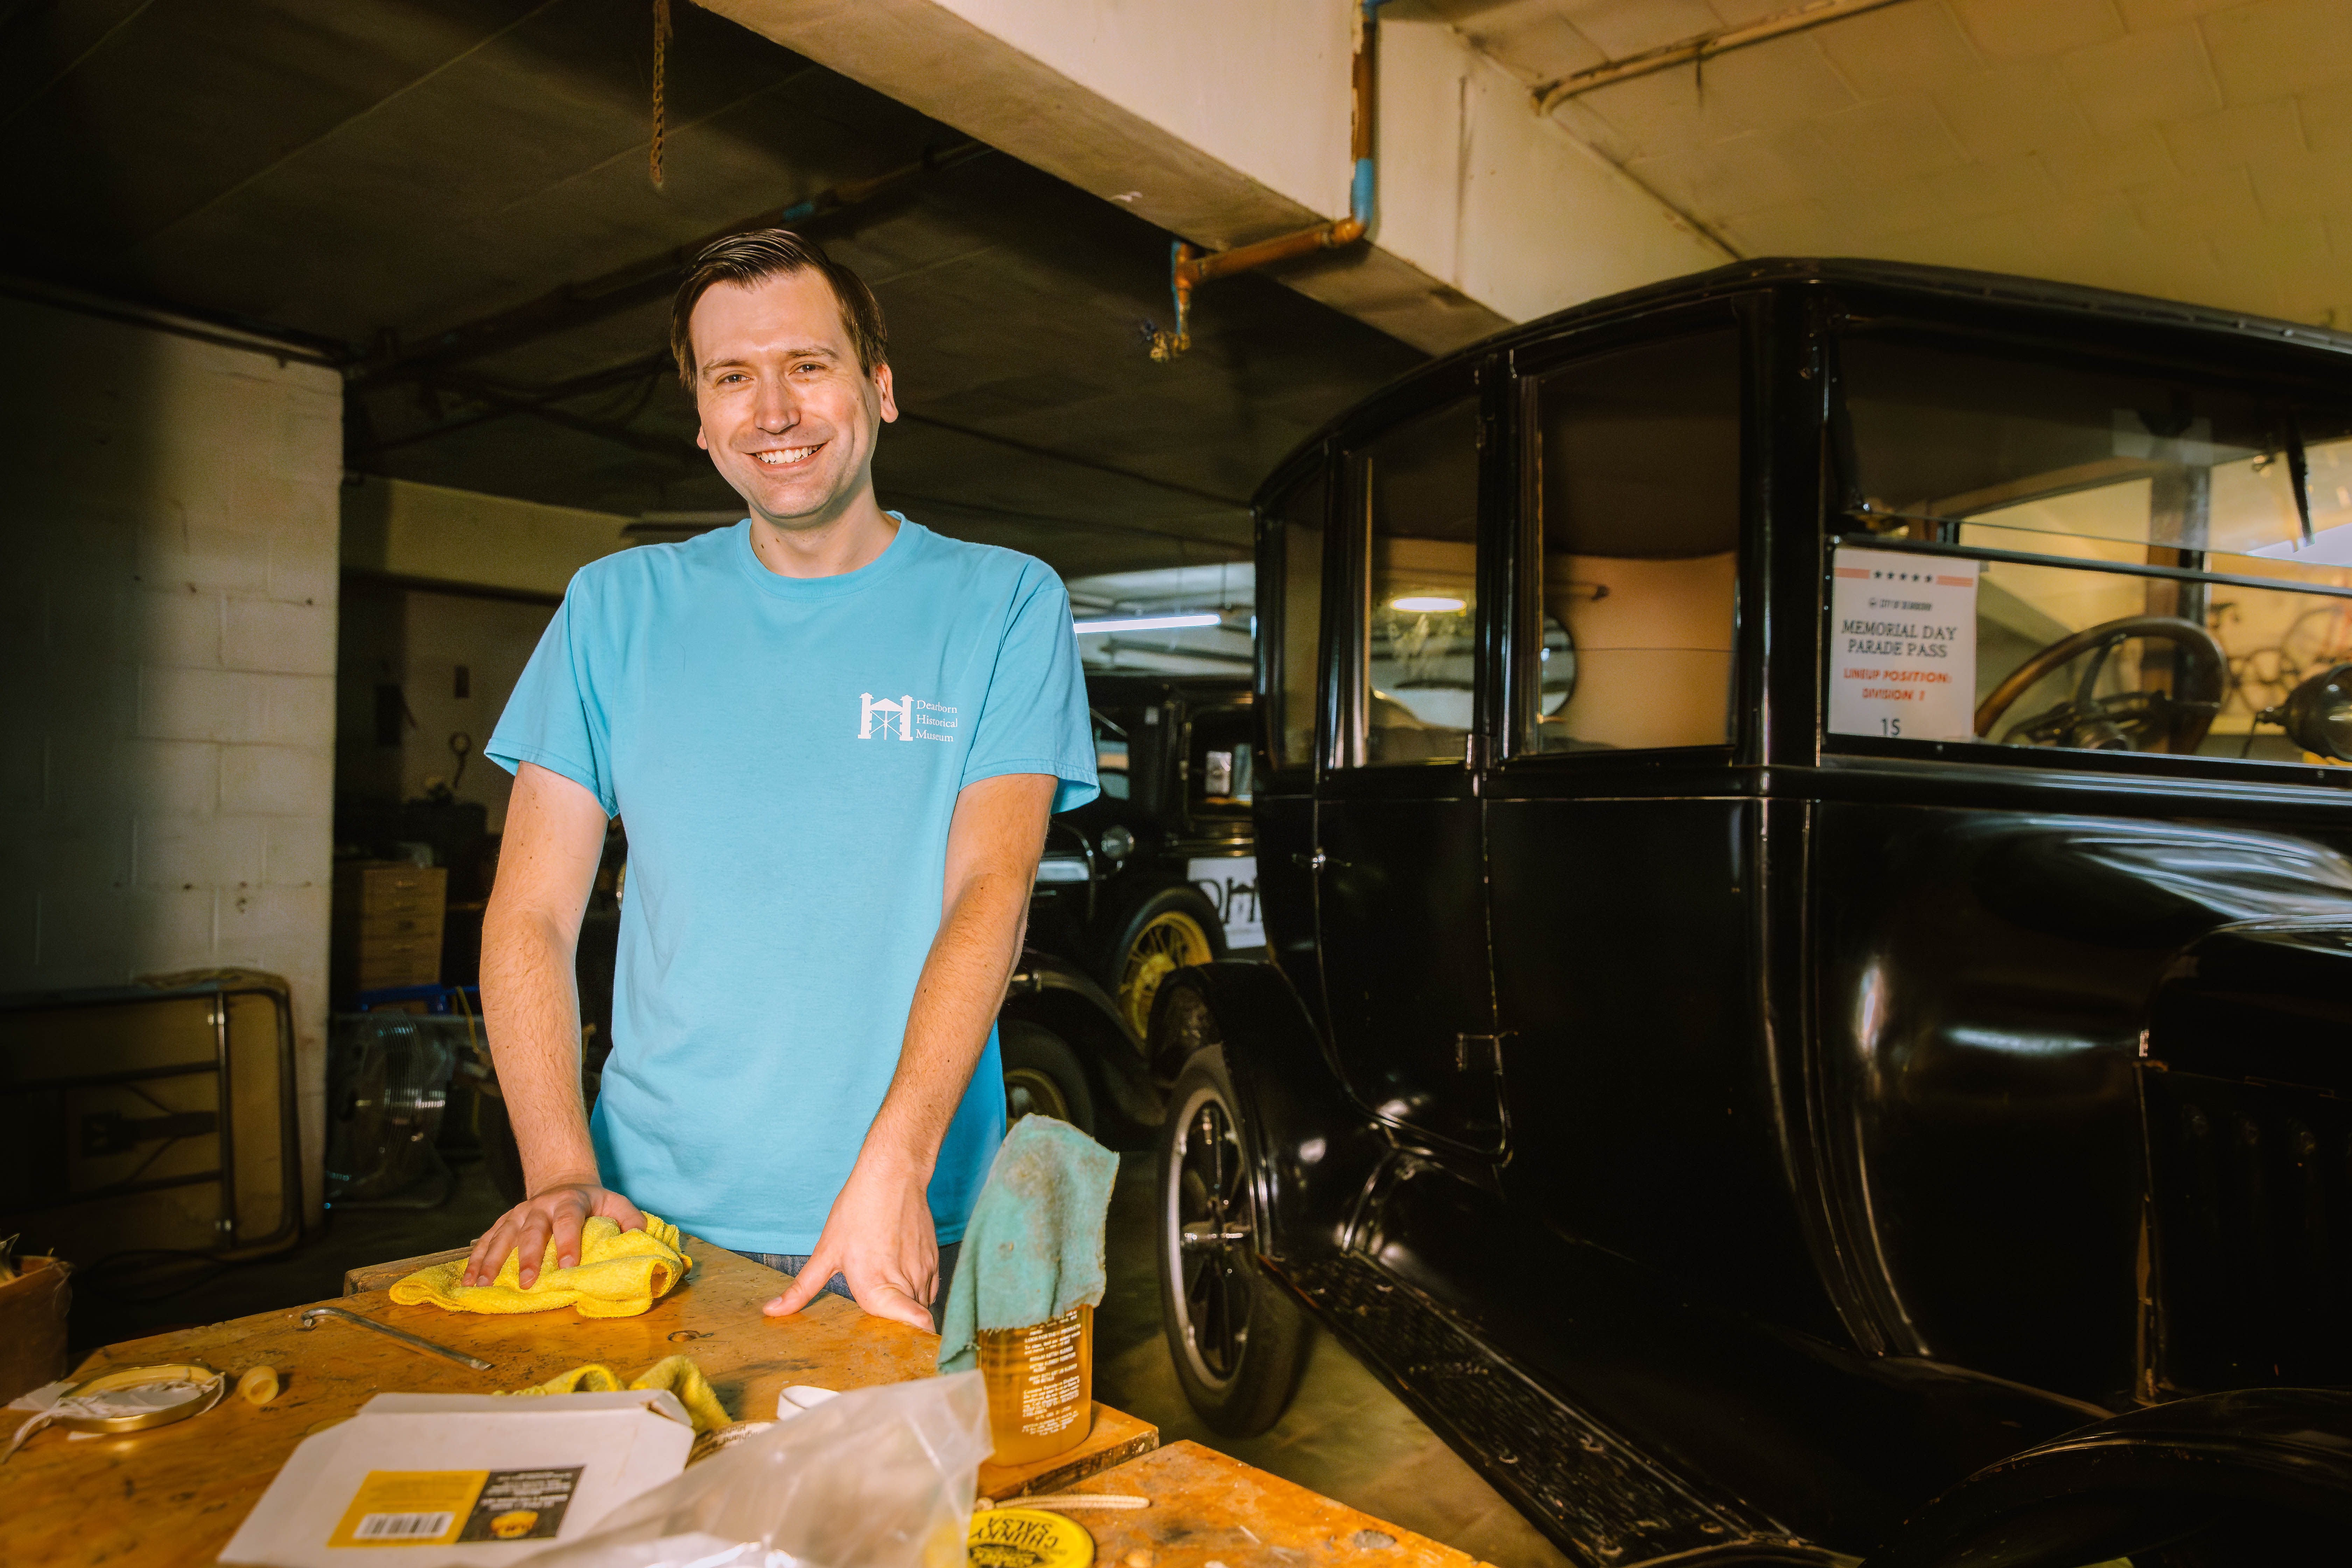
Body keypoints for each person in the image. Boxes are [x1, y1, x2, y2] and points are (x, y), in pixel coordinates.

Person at [460, 229, 1097, 1329]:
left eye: (808, 366)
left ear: (880, 389)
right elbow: (529, 915)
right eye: (732, 378)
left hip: (909, 1203)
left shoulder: (1004, 604)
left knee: (894, 1503)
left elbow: (989, 889)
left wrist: (897, 1162)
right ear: (701, 418)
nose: (774, 411)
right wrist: (560, 1170)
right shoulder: (614, 610)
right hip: (646, 1217)